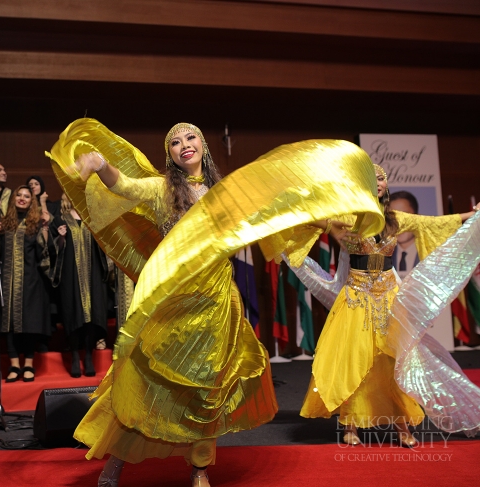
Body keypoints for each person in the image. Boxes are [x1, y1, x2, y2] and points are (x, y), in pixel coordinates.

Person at [46, 119, 384, 487]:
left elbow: (270, 214)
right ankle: (115, 464)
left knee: (210, 388)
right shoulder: (161, 189)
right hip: (174, 302)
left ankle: (200, 469)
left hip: (217, 300)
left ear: (204, 146)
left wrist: (317, 214)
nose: (184, 144)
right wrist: (101, 166)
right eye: (175, 142)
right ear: (170, 156)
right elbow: (124, 186)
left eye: (191, 137)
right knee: (146, 384)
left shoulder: (226, 192)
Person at [299, 164, 479, 447]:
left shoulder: (396, 218)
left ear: (386, 184)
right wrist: (327, 224)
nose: (377, 182)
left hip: (388, 298)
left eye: (381, 177)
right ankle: (350, 424)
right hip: (355, 298)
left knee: (394, 358)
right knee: (353, 358)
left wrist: (472, 215)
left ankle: (402, 426)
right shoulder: (349, 216)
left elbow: (434, 223)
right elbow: (307, 217)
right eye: (371, 178)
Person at [0, 185, 52, 383]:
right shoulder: (4, 224)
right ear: (13, 199)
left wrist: (45, 228)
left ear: (31, 201)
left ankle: (28, 364)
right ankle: (13, 364)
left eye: (26, 196)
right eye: (18, 195)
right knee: (9, 323)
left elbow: (44, 252)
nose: (22, 198)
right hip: (8, 280)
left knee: (30, 323)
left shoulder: (36, 223)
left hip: (30, 281)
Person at [50, 193, 109, 378]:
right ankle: (75, 355)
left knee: (92, 316)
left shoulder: (92, 218)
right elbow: (52, 249)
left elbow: (104, 246)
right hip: (71, 274)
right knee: (73, 314)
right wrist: (60, 239)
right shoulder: (60, 219)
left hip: (92, 274)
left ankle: (89, 355)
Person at [389, 190, 420, 278]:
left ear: (417, 217)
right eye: (393, 217)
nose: (399, 223)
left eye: (404, 216)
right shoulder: (383, 257)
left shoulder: (430, 255)